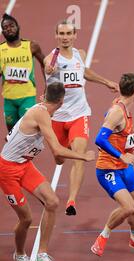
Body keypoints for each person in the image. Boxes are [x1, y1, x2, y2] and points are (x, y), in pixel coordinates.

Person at [0, 82, 95, 261]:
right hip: (7, 170)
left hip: (24, 165)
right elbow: (57, 150)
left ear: (44, 95)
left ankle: (42, 253)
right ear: (61, 102)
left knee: (52, 202)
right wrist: (83, 156)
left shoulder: (45, 112)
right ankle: (20, 254)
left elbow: (57, 157)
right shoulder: (41, 114)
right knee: (26, 219)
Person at [45, 20, 119, 216]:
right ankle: (65, 147)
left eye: (69, 33)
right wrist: (50, 72)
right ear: (56, 36)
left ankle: (71, 201)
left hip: (79, 113)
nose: (65, 37)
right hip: (58, 117)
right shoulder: (51, 58)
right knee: (59, 159)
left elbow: (84, 72)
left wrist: (105, 82)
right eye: (61, 33)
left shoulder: (80, 54)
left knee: (79, 155)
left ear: (75, 35)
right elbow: (48, 69)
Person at [91, 74, 134, 257]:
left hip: (125, 168)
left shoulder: (121, 105)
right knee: (128, 207)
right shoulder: (117, 112)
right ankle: (103, 236)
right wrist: (122, 156)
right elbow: (99, 139)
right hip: (108, 169)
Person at [0, 13, 45, 131]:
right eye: (5, 27)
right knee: (12, 133)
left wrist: (48, 85)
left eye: (11, 25)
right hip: (9, 99)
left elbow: (44, 64)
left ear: (18, 27)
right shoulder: (0, 50)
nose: (8, 29)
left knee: (27, 129)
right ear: (3, 32)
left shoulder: (31, 46)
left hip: (27, 97)